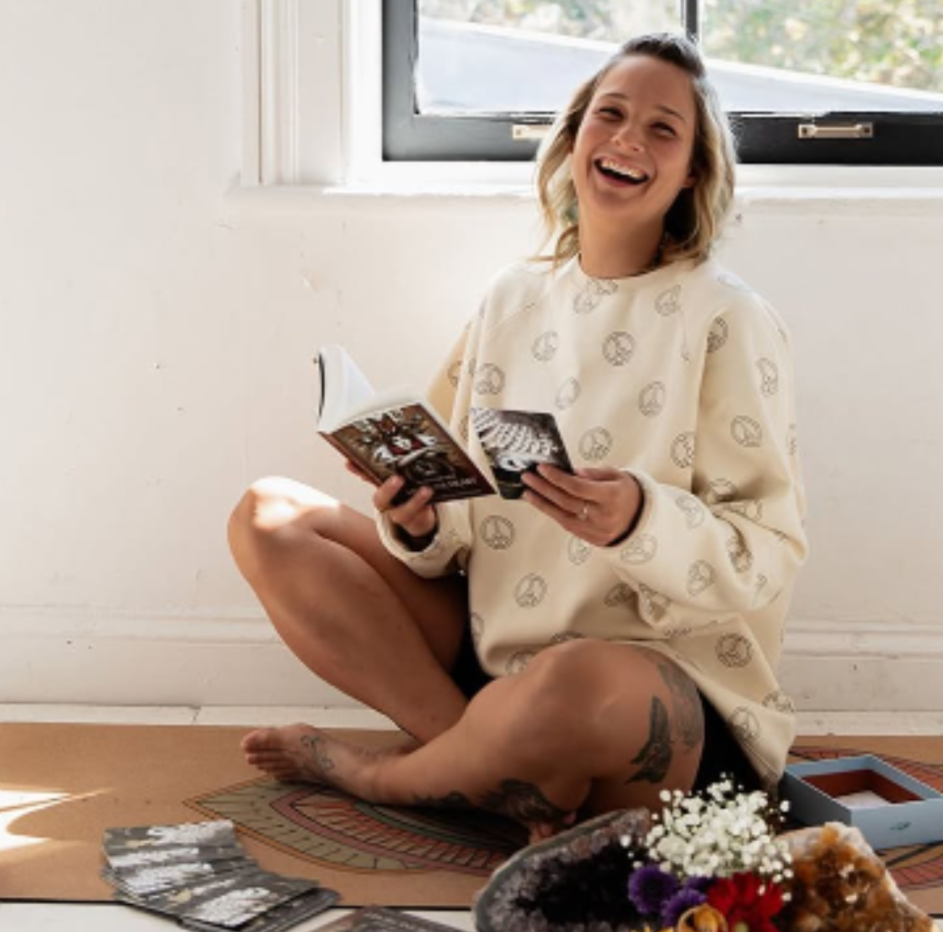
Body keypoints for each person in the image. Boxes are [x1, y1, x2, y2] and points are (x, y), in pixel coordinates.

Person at [227, 32, 807, 842]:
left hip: (651, 697)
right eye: (611, 114)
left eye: (663, 129)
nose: (630, 138)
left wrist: (641, 519)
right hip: (497, 662)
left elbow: (768, 550)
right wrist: (417, 522)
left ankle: (379, 774)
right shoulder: (513, 298)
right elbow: (462, 522)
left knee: (574, 680)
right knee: (268, 515)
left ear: (692, 174)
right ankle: (481, 757)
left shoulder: (727, 318)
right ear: (573, 142)